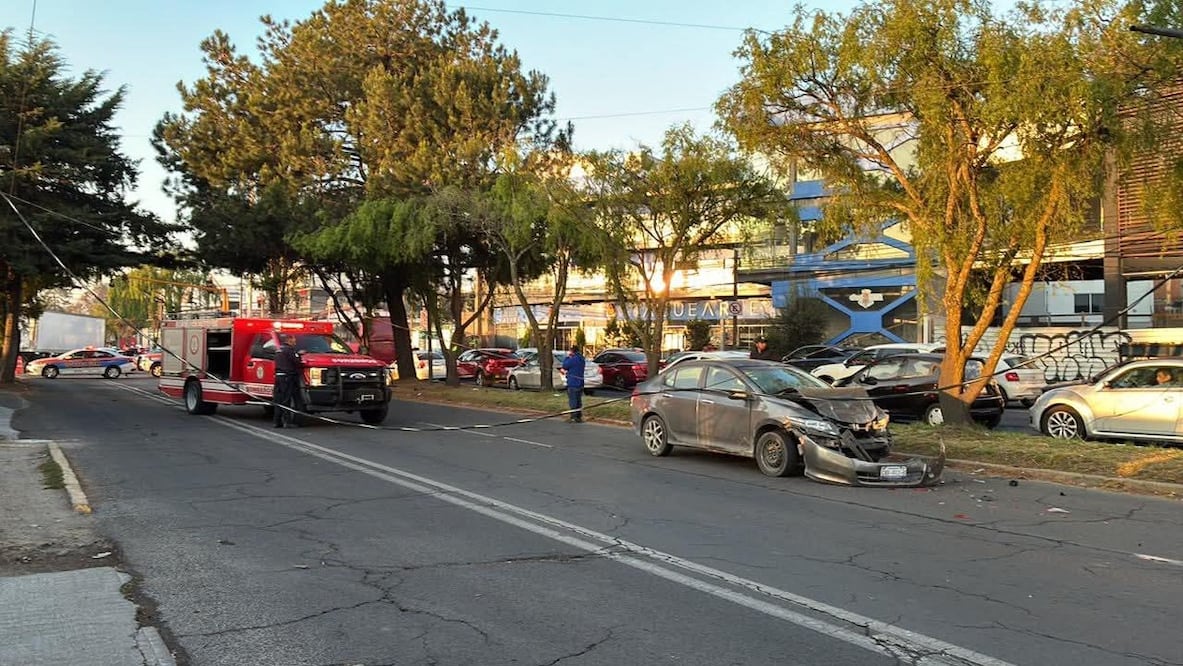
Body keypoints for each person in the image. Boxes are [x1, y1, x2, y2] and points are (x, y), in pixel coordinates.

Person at [273, 334, 304, 428]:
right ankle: (288, 422)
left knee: (279, 400)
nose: (295, 342)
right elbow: (297, 362)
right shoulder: (290, 350)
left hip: (279, 377)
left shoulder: (279, 350)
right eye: (294, 340)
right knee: (287, 400)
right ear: (289, 340)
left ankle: (277, 421)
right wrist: (299, 355)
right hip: (288, 377)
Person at [560, 344, 586, 423]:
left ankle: (573, 417)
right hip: (580, 382)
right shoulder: (581, 359)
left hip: (573, 382)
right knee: (578, 401)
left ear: (572, 351)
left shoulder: (572, 359)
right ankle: (579, 416)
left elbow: (565, 365)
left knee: (573, 401)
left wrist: (568, 357)